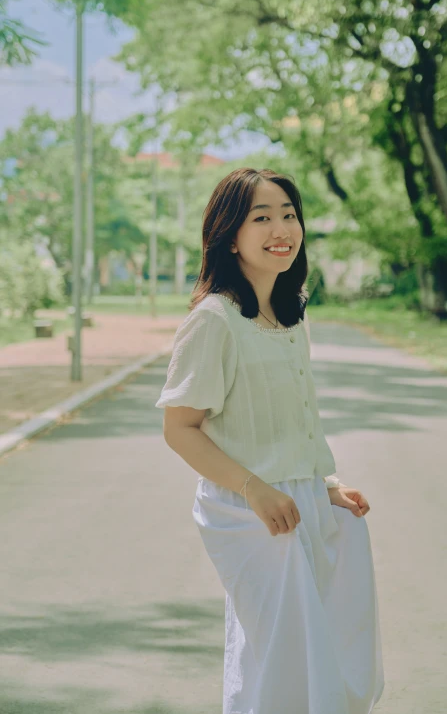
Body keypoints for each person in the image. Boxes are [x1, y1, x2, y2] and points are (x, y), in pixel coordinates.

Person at [156, 167, 385, 714]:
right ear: (228, 234)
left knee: (319, 651)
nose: (281, 228)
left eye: (289, 215)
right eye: (262, 217)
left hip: (300, 500)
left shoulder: (287, 316)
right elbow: (179, 428)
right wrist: (255, 489)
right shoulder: (213, 321)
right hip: (247, 508)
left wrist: (323, 483)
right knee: (283, 658)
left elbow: (285, 424)